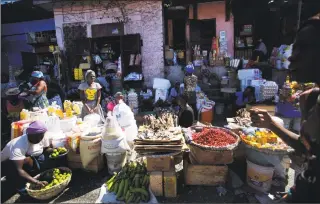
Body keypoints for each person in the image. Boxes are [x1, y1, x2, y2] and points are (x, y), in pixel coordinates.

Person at [250, 12, 320, 203]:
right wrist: (271, 124)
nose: (291, 58)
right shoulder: (313, 99)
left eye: (303, 48)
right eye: (294, 48)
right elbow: (307, 148)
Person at [1, 121, 53, 195]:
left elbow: (45, 149)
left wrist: (55, 150)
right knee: (20, 168)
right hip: (7, 164)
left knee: (38, 159)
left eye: (41, 136)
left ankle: (32, 175)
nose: (38, 139)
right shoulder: (18, 145)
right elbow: (19, 170)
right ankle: (18, 184)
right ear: (29, 134)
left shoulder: (42, 137)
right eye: (36, 136)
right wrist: (36, 182)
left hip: (27, 157)